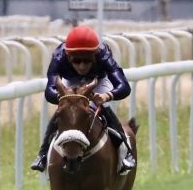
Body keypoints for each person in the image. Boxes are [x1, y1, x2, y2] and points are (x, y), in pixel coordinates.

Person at [30, 25, 136, 175]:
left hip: (97, 81)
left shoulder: (103, 54)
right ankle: (42, 154)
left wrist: (107, 96)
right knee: (65, 111)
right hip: (69, 82)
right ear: (68, 55)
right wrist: (65, 98)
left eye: (87, 61)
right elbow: (49, 91)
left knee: (102, 107)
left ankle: (126, 152)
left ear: (95, 55)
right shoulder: (59, 56)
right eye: (76, 61)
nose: (82, 66)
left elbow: (124, 86)